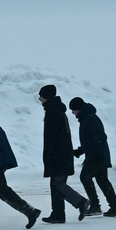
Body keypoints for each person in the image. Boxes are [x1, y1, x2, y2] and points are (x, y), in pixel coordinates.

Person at [37, 84, 91, 222]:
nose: (39, 99)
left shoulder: (53, 112)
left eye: (41, 96)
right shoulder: (55, 110)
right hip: (61, 154)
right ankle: (58, 214)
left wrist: (49, 155)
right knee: (56, 185)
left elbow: (51, 138)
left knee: (58, 184)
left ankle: (80, 202)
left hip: (58, 155)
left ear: (47, 97)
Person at [70, 95, 116, 217]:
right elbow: (90, 140)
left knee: (85, 177)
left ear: (79, 108)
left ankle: (96, 205)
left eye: (73, 109)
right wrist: (80, 151)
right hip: (98, 155)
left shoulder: (90, 118)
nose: (72, 112)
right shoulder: (86, 118)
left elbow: (99, 137)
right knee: (102, 180)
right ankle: (114, 207)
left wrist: (96, 154)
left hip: (96, 156)